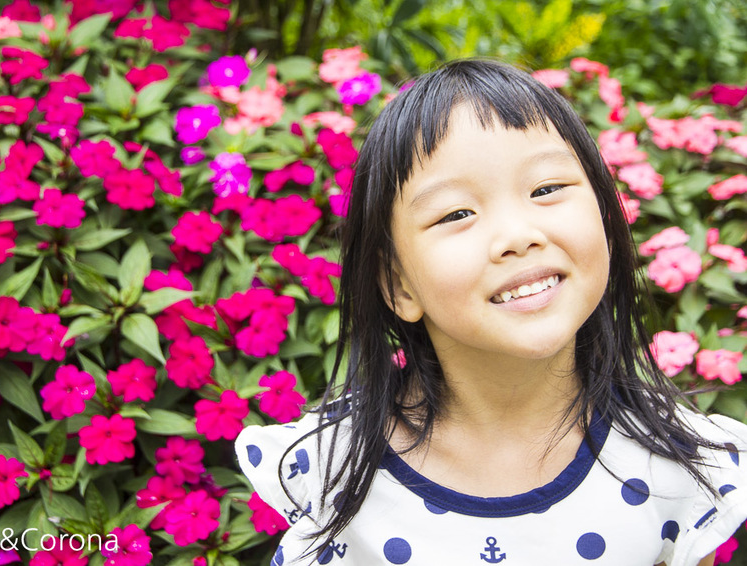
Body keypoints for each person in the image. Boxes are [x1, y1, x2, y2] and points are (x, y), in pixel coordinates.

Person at [235, 59, 747, 566]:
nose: (517, 235)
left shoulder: (676, 466)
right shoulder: (334, 469)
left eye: (546, 189)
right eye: (457, 213)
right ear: (397, 284)